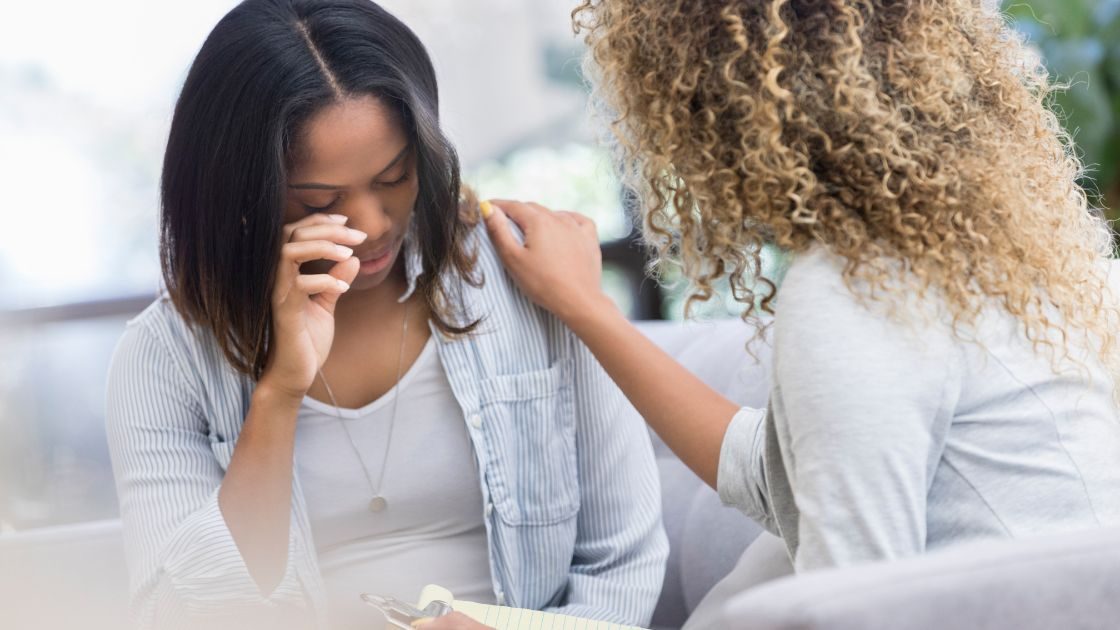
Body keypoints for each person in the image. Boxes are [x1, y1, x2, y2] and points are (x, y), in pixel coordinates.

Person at [423, 0, 1120, 627]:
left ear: (712, 114)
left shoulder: (854, 293)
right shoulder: (986, 252)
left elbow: (852, 605)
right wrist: (585, 309)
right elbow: (786, 479)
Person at [103, 1, 667, 628]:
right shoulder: (163, 359)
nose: (372, 226)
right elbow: (182, 616)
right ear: (241, 189)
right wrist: (280, 392)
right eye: (320, 199)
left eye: (395, 176)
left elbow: (623, 565)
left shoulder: (526, 277)